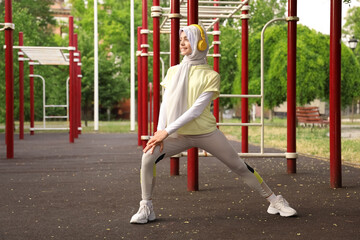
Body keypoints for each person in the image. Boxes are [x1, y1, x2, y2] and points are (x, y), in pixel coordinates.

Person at [130, 24, 297, 224]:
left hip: (205, 132)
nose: (182, 43)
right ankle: (146, 206)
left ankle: (274, 200)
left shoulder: (211, 76)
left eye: (186, 39)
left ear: (200, 43)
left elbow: (196, 110)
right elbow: (165, 104)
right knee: (148, 156)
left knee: (239, 166)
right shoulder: (173, 71)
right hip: (176, 134)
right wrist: (159, 132)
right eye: (180, 39)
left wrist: (165, 131)